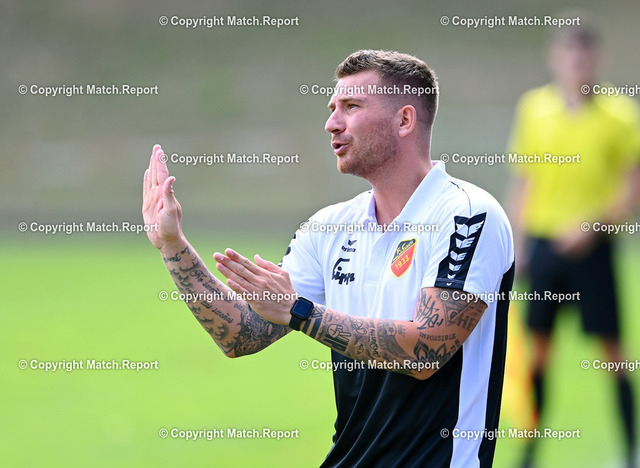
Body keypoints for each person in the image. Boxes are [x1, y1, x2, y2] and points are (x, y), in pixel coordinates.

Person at [143, 49, 514, 467]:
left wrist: (300, 312)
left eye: (351, 106)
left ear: (404, 120)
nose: (332, 123)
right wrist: (173, 245)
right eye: (332, 108)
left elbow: (427, 349)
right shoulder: (328, 227)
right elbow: (240, 334)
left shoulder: (466, 214)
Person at [508, 24, 640, 468]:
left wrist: (590, 225)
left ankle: (630, 451)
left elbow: (632, 190)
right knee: (537, 355)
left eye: (584, 56)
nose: (577, 64)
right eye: (569, 55)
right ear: (556, 58)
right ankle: (529, 453)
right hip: (545, 248)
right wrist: (519, 246)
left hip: (594, 250)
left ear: (597, 59)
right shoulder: (534, 109)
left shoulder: (621, 115)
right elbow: (524, 182)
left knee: (613, 355)